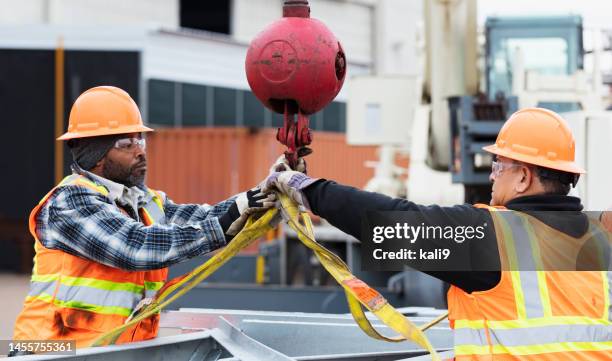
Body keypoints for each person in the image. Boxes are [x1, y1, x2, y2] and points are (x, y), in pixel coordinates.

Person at [265, 107, 612, 360]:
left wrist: (307, 189)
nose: (491, 177)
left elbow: (393, 224)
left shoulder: (496, 237)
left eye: (498, 167)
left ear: (523, 178)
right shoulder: (600, 238)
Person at [11, 86, 275, 353]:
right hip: (50, 353)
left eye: (141, 140)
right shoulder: (70, 203)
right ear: (96, 155)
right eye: (127, 144)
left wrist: (262, 195)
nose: (140, 151)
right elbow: (135, 246)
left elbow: (201, 218)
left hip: (112, 353)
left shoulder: (143, 201)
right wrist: (219, 226)